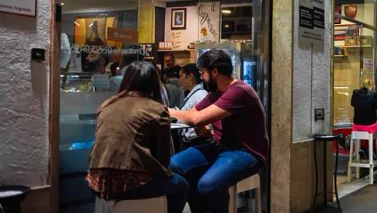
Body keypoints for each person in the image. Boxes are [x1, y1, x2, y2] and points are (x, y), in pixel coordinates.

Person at [169, 50, 268, 213]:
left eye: (202, 72)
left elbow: (195, 119)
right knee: (174, 165)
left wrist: (167, 111)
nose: (201, 77)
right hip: (221, 147)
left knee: (208, 184)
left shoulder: (239, 91)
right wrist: (204, 126)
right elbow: (194, 113)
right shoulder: (216, 94)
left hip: (247, 153)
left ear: (214, 71)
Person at [86, 61, 188, 213]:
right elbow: (163, 159)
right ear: (155, 83)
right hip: (130, 183)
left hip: (97, 181)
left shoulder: (107, 105)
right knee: (182, 186)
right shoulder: (156, 109)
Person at [178, 63, 210, 148]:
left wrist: (187, 137)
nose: (179, 80)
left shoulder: (200, 95)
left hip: (194, 143)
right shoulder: (195, 94)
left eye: (181, 76)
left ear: (190, 76)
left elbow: (200, 120)